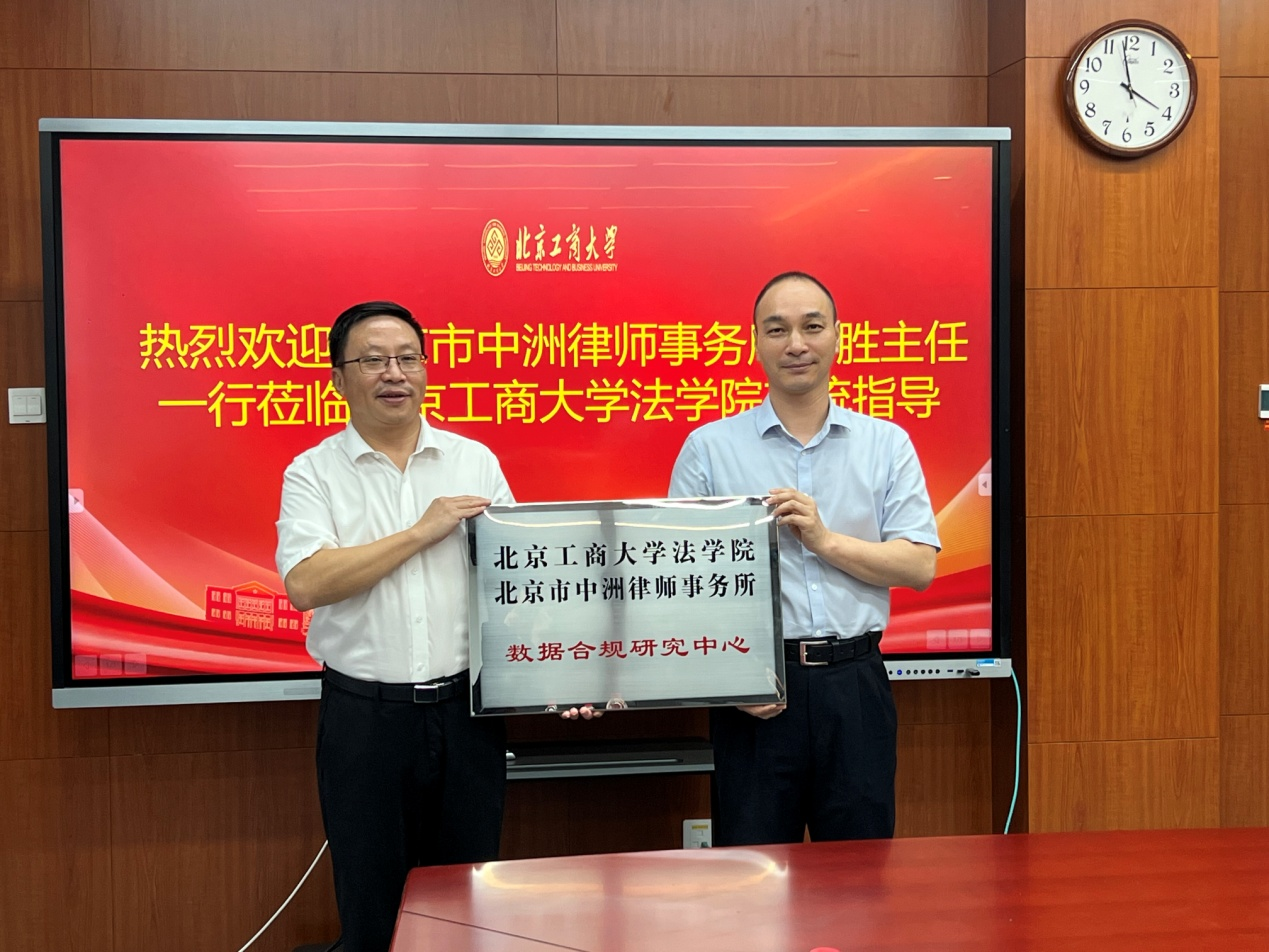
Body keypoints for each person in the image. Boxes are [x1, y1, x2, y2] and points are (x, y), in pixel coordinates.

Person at [667, 271, 941, 846]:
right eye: (777, 329)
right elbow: (679, 586)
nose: (796, 344)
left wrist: (823, 539)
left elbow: (919, 566)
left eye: (812, 327)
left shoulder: (885, 443)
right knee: (756, 877)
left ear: (838, 335)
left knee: (860, 875)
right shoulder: (709, 448)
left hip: (855, 686)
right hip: (756, 693)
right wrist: (729, 681)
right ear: (755, 342)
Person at [275, 301, 513, 952]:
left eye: (408, 358)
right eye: (373, 360)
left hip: (466, 717)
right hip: (365, 721)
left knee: (466, 905)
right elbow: (306, 583)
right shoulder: (313, 472)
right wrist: (420, 532)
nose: (394, 373)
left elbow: (516, 582)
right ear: (338, 377)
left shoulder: (474, 461)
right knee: (373, 907)